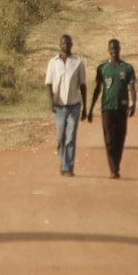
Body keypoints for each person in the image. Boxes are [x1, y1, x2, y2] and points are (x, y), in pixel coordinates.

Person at [86, 39, 138, 179]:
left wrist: (134, 104)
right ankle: (113, 169)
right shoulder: (103, 68)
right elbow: (98, 89)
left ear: (120, 49)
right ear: (108, 50)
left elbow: (132, 88)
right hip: (107, 108)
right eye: (111, 48)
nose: (114, 51)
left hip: (122, 107)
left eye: (116, 48)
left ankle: (116, 165)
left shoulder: (127, 68)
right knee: (109, 138)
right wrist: (91, 109)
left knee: (120, 138)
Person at [44, 35, 87, 177]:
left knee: (71, 137)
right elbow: (48, 84)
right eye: (63, 43)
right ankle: (63, 162)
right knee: (60, 137)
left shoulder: (78, 62)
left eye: (68, 43)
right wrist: (51, 103)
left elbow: (83, 85)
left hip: (74, 105)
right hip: (59, 106)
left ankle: (68, 167)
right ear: (60, 45)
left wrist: (85, 107)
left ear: (72, 45)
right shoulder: (53, 63)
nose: (66, 46)